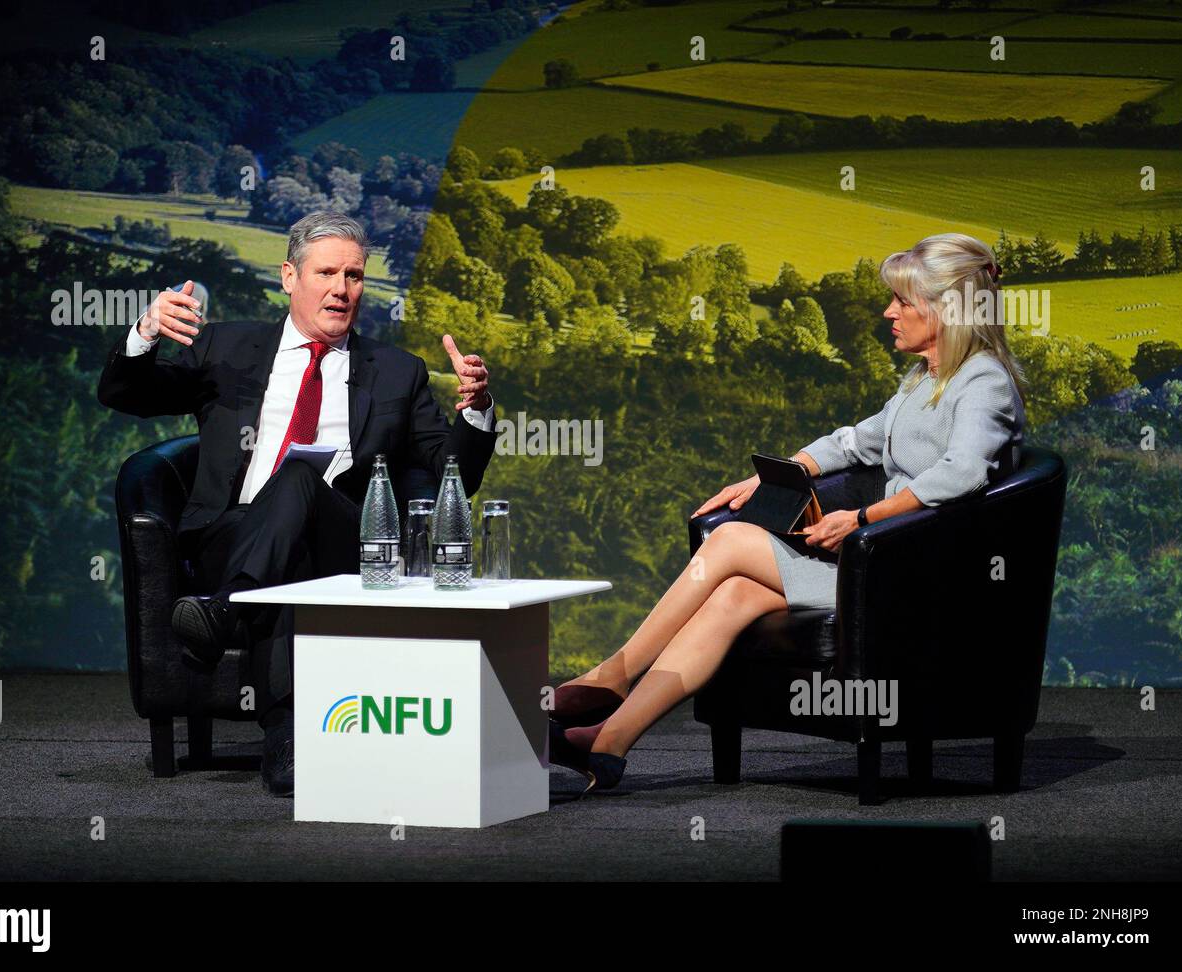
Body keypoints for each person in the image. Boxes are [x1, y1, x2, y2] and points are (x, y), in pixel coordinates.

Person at [548, 232, 1027, 793]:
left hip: (917, 578)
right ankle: (607, 742)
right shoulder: (924, 380)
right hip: (881, 562)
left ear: (947, 308)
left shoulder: (985, 382)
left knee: (727, 543)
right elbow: (854, 442)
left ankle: (613, 677)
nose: (888, 311)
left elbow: (963, 472)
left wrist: (864, 517)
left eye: (902, 301)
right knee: (731, 597)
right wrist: (764, 477)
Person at [97, 212, 498, 796]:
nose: (342, 288)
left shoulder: (396, 372)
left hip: (343, 542)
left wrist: (477, 410)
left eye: (355, 275)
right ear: (289, 276)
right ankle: (286, 743)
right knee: (289, 568)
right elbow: (124, 394)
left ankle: (226, 612)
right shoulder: (225, 348)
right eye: (327, 272)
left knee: (303, 481)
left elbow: (452, 476)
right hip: (228, 535)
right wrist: (145, 333)